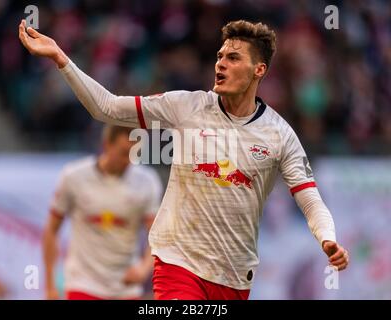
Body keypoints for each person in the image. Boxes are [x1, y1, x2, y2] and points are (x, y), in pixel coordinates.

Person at [19, 19, 349, 300]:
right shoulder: (186, 105)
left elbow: (310, 200)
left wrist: (327, 237)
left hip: (234, 275)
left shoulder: (279, 134)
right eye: (220, 56)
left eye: (233, 58)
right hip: (177, 261)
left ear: (258, 70)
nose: (220, 63)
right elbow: (105, 106)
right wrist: (61, 58)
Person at [42, 125, 163, 300]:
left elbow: (157, 235)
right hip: (83, 284)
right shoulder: (74, 177)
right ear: (106, 145)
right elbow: (51, 230)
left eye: (135, 154)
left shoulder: (147, 181)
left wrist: (144, 269)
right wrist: (49, 284)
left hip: (125, 287)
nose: (128, 160)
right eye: (123, 152)